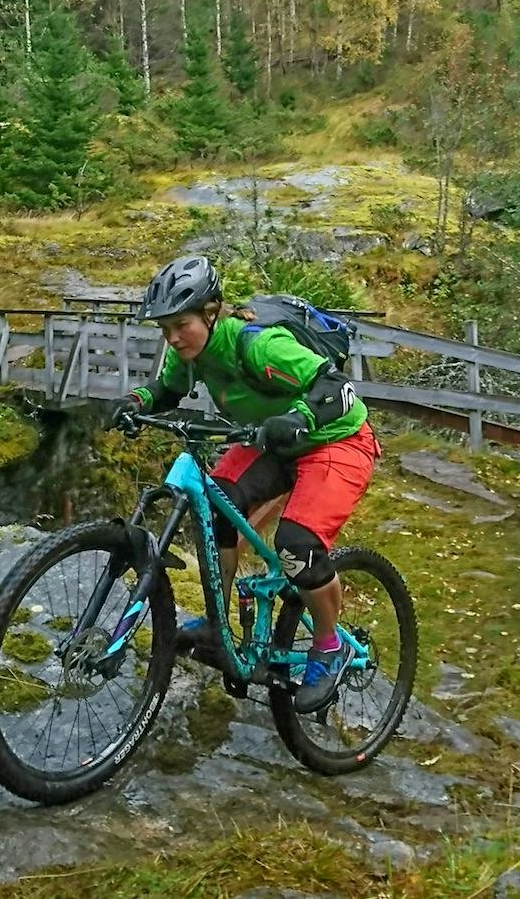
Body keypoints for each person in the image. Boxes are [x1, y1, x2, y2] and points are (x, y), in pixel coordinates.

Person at [107, 254, 380, 715]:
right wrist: (134, 401)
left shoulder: (258, 345)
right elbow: (167, 391)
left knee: (297, 544)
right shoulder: (190, 354)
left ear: (211, 313)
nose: (172, 337)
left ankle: (331, 645)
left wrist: (301, 417)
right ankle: (218, 626)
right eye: (164, 328)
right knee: (215, 508)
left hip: (336, 438)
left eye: (181, 324)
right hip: (269, 439)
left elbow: (335, 388)